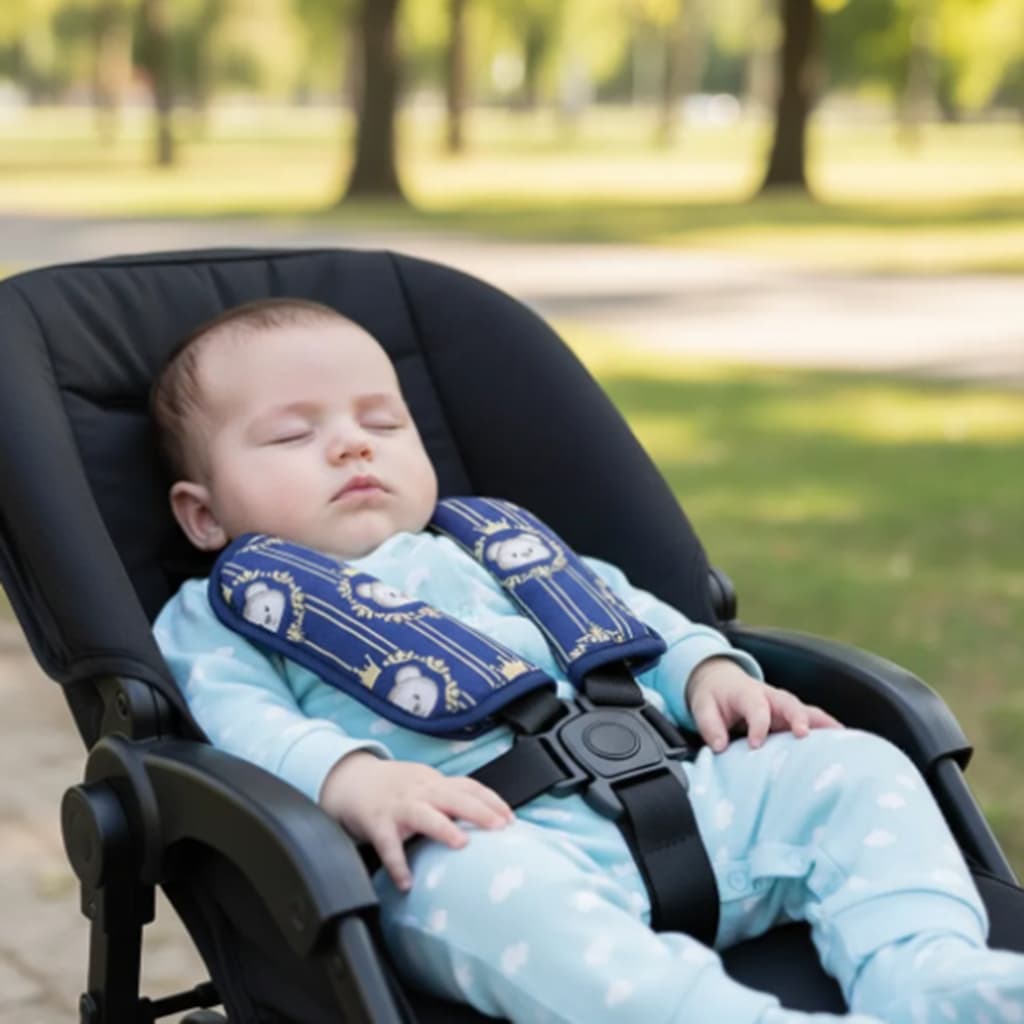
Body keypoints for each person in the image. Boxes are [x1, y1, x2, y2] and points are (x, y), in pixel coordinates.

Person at [152, 298, 1024, 1024]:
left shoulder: (498, 544)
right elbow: (239, 722)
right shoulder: (223, 612)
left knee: (853, 766)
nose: (353, 444)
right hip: (482, 843)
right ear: (203, 515)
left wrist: (707, 671)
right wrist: (351, 779)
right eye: (291, 437)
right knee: (494, 897)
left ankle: (929, 974)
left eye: (382, 422)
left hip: (689, 798)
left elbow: (636, 620)